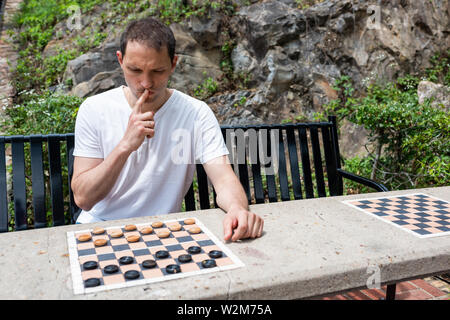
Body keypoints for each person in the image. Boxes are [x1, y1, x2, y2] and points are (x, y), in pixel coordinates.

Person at [71, 17, 264, 242]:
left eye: (157, 71)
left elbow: (223, 179)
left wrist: (237, 209)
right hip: (99, 227)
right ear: (120, 60)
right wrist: (125, 146)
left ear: (173, 64)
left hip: (163, 231)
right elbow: (83, 198)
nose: (146, 82)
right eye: (135, 70)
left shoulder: (195, 113)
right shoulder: (94, 109)